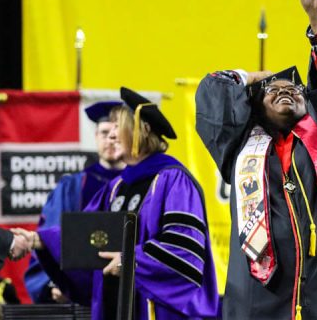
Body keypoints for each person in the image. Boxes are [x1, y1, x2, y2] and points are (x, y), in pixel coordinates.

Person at [195, 0, 317, 320]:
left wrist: (316, 16)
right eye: (272, 90)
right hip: (260, 295)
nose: (284, 91)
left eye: (294, 89)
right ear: (255, 108)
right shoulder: (239, 147)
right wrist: (250, 76)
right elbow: (212, 92)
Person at [16, 88, 219, 320]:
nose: (111, 135)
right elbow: (87, 235)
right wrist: (39, 239)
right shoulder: (116, 187)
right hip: (115, 306)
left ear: (141, 131)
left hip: (159, 311)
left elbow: (184, 250)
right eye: (109, 128)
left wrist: (132, 261)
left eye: (117, 126)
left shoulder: (173, 180)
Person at [25, 100, 126, 303]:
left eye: (115, 132)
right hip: (77, 292)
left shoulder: (138, 184)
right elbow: (51, 233)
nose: (110, 139)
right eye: (104, 133)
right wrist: (54, 282)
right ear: (96, 137)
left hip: (126, 287)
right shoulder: (72, 186)